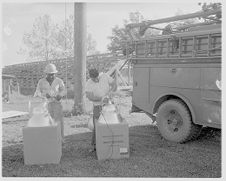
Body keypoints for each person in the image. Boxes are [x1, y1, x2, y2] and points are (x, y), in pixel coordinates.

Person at [86, 68, 117, 152]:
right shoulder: (88, 83)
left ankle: (111, 143)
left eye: (97, 78)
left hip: (109, 105)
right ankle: (95, 145)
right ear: (90, 77)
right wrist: (102, 98)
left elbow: (114, 83)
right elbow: (90, 96)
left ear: (99, 74)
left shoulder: (105, 76)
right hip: (98, 107)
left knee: (111, 124)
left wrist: (111, 92)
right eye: (93, 79)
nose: (96, 80)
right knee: (97, 126)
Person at [34, 63, 66, 140]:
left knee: (58, 122)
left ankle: (60, 139)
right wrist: (44, 95)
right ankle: (49, 139)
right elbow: (37, 92)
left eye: (53, 74)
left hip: (57, 104)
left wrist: (60, 95)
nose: (51, 76)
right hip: (46, 105)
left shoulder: (59, 81)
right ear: (46, 74)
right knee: (47, 122)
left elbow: (64, 90)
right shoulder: (41, 81)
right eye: (49, 74)